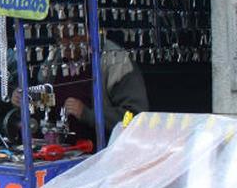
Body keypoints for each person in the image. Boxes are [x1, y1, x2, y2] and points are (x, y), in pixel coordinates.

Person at [10, 39, 148, 141]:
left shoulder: (116, 60)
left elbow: (136, 117)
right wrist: (28, 98)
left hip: (102, 154)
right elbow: (51, 97)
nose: (65, 43)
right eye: (60, 37)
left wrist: (88, 114)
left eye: (71, 36)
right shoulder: (56, 57)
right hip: (60, 149)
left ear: (86, 32)